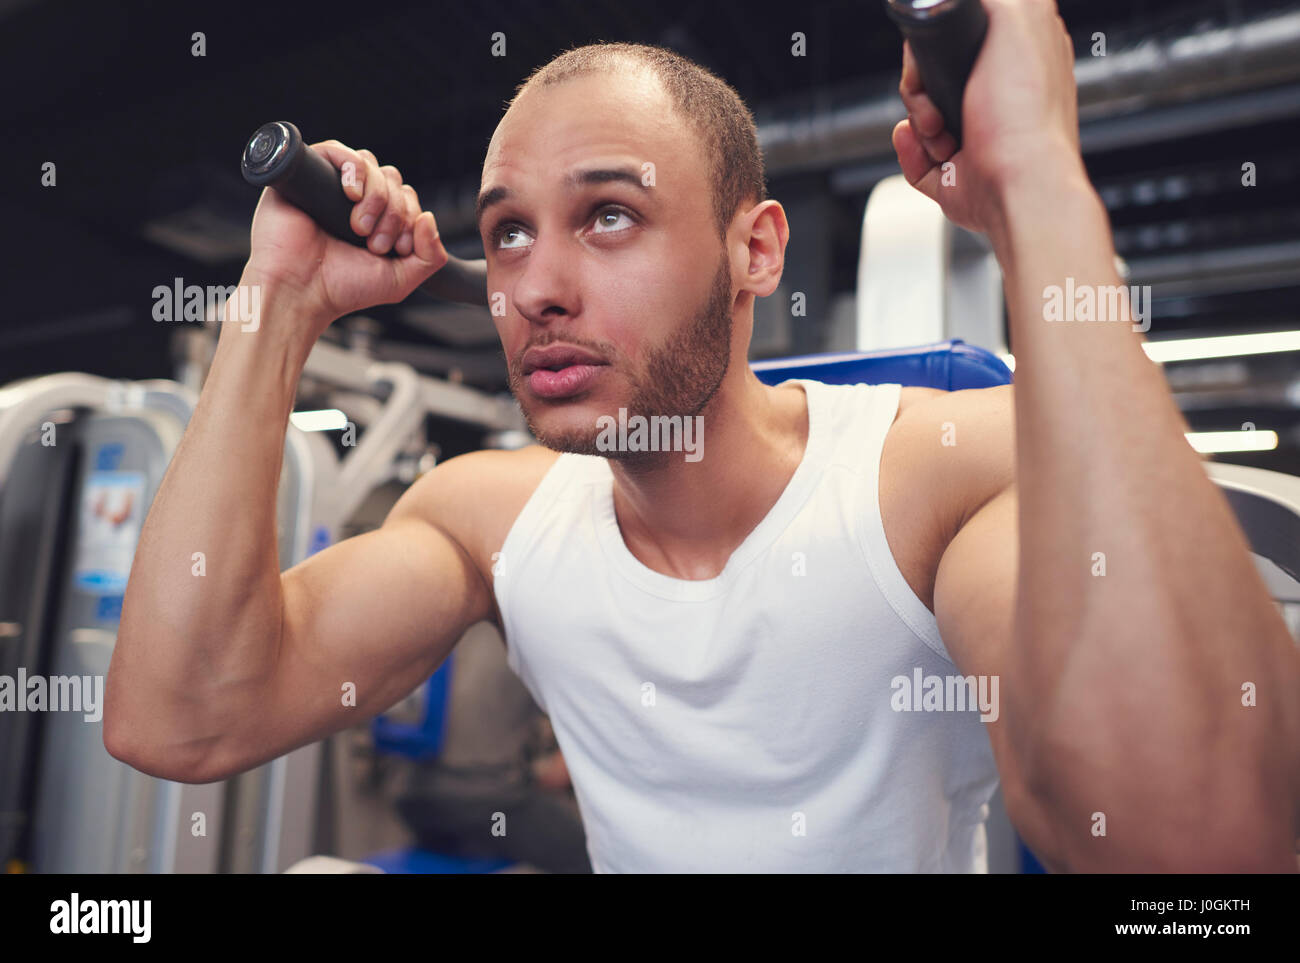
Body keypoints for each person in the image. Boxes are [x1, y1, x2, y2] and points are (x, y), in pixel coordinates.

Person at [107, 0, 1300, 872]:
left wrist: (1036, 180)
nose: (537, 287)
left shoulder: (935, 481)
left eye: (608, 215)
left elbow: (1193, 840)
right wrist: (278, 303)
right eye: (509, 232)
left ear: (756, 250)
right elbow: (183, 718)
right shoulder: (494, 520)